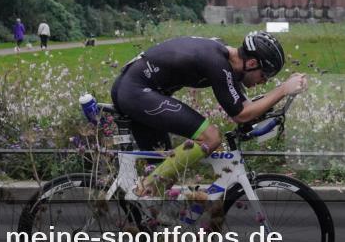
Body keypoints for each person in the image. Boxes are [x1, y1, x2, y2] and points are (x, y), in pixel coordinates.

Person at [110, 31, 306, 197]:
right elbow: (241, 114)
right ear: (252, 62)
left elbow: (245, 107)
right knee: (210, 137)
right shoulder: (216, 62)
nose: (263, 82)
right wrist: (282, 90)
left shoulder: (225, 61)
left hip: (139, 92)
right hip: (135, 91)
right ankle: (139, 193)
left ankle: (146, 228)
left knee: (162, 177)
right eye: (264, 75)